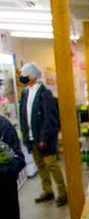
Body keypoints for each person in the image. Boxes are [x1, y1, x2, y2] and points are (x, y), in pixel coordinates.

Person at [18, 62, 67, 206]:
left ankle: (62, 192)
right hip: (31, 138)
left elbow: (50, 118)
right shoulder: (26, 93)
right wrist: (26, 136)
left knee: (51, 164)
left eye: (24, 75)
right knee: (40, 166)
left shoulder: (45, 93)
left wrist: (44, 138)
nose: (22, 78)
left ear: (33, 76)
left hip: (44, 139)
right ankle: (48, 191)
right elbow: (23, 116)